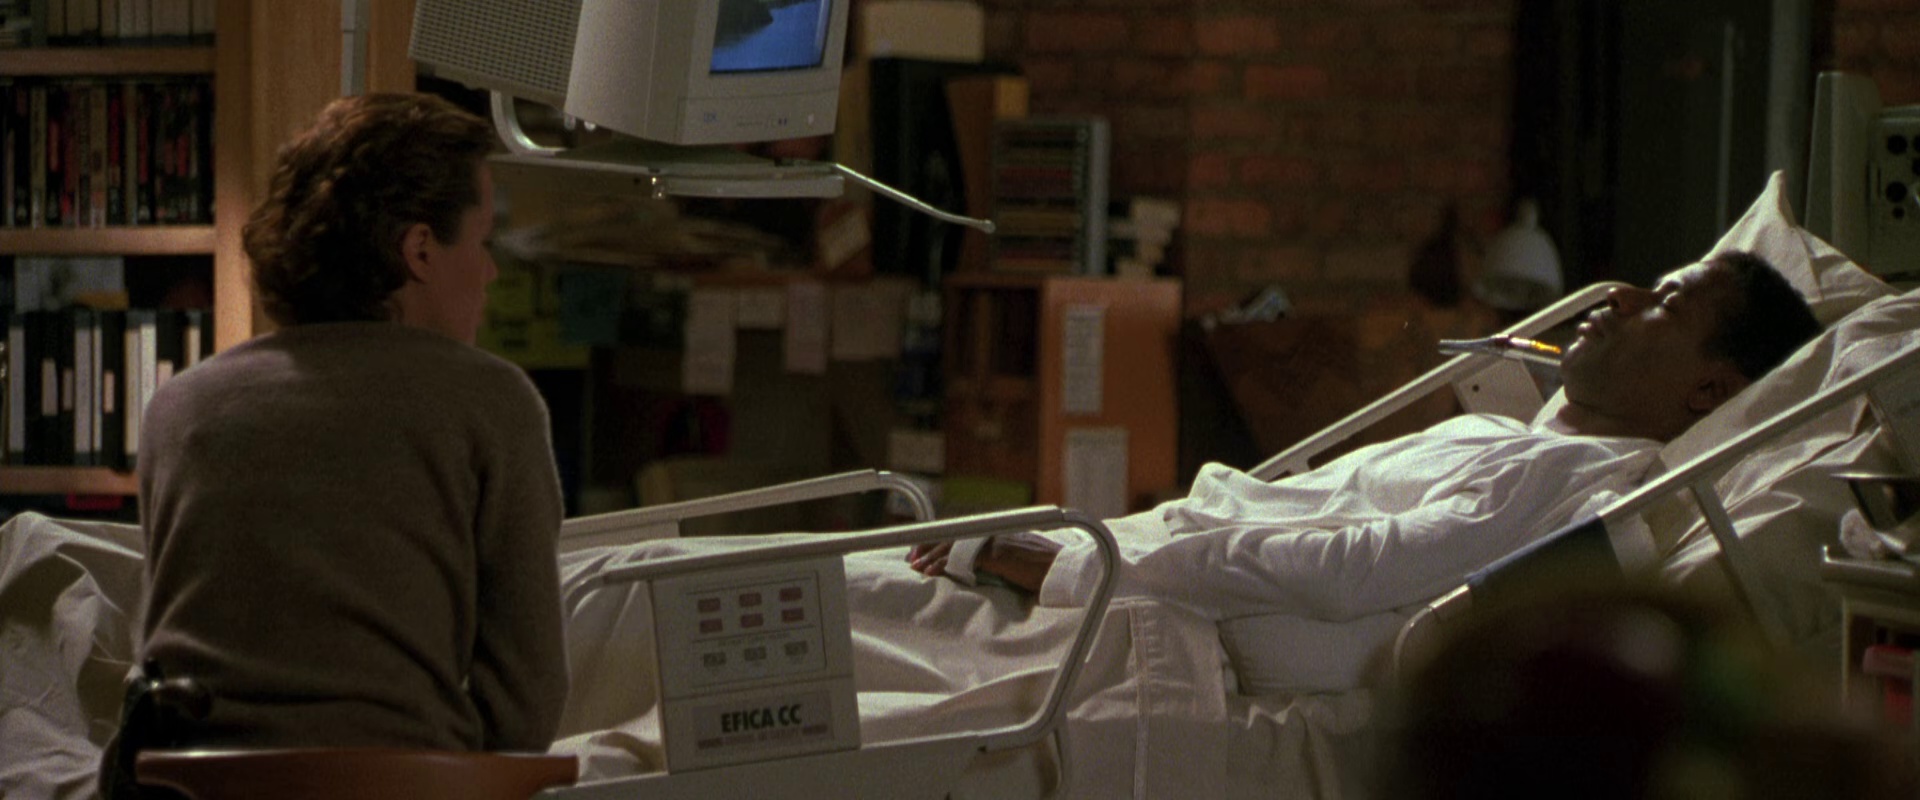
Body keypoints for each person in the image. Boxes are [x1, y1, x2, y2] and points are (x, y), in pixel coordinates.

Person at [908, 251, 1822, 622]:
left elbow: (1352, 571)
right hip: (1139, 560)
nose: (1620, 295)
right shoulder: (1507, 435)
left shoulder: (1582, 486)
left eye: (1666, 304)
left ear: (1710, 390)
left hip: (1136, 606)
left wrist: (1070, 566)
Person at [101, 92, 567, 796]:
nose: (491, 272)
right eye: (482, 243)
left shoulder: (179, 408)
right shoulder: (493, 403)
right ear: (419, 250)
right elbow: (526, 705)